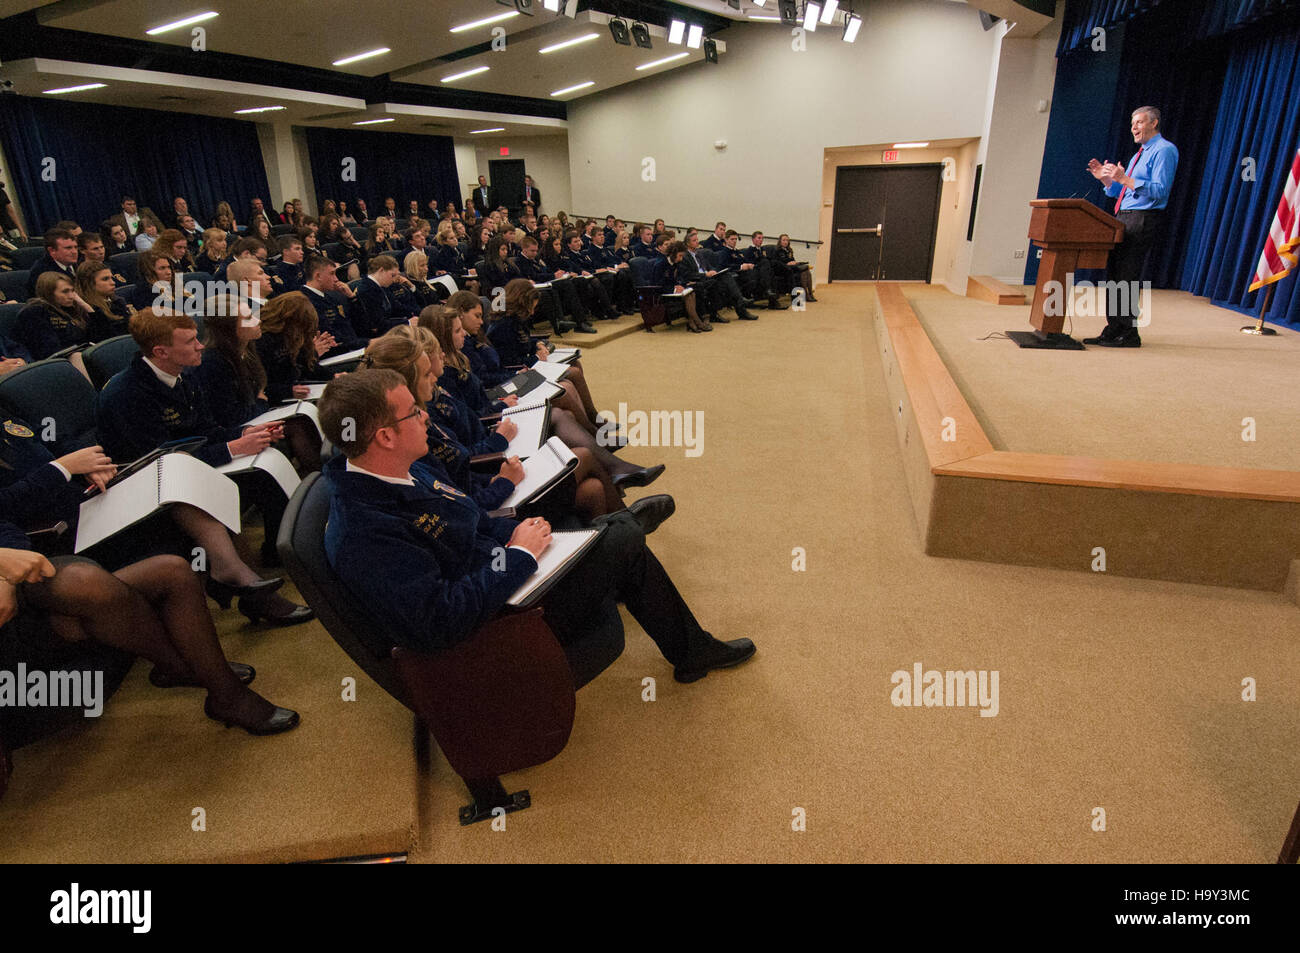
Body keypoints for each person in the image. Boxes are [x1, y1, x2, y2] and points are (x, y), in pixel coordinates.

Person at [318, 369, 753, 682]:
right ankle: (627, 542)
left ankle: (687, 644)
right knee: (623, 537)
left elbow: (468, 521)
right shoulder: (365, 529)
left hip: (504, 578)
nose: (426, 418)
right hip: (497, 629)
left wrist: (515, 537)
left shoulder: (408, 469)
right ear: (385, 437)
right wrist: (518, 556)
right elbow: (439, 621)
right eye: (413, 413)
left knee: (614, 538)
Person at [96, 308, 313, 623]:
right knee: (216, 489)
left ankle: (270, 563)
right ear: (161, 351)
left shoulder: (182, 376)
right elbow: (156, 461)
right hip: (137, 485)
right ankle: (246, 580)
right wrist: (230, 448)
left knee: (264, 468)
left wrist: (243, 433)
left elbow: (204, 430)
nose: (200, 345)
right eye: (190, 341)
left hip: (181, 467)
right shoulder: (126, 394)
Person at [0, 535, 299, 736]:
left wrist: (6, 572)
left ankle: (196, 677)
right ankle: (211, 685)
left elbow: (8, 524)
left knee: (172, 570)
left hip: (24, 586)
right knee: (86, 584)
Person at [1084, 105, 1179, 348]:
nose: (1133, 128)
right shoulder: (1138, 155)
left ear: (1154, 123)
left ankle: (1128, 333)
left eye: (1138, 122)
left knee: (1127, 275)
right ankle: (1113, 328)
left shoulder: (1164, 150)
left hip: (1143, 218)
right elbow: (1123, 192)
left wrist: (1124, 178)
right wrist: (1107, 180)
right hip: (1124, 217)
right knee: (1115, 275)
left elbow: (1159, 190)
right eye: (1132, 124)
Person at [12, 272, 90, 360]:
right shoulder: (34, 313)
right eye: (65, 291)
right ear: (49, 293)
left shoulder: (68, 308)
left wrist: (86, 307)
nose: (72, 296)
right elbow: (49, 350)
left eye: (72, 291)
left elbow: (96, 336)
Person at [75, 260, 133, 342]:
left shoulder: (118, 301)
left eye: (111, 278)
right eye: (105, 279)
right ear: (89, 283)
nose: (113, 282)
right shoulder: (88, 310)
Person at [26, 227, 80, 299]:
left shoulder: (78, 263)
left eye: (75, 247)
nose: (74, 252)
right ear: (52, 250)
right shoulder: (41, 272)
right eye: (68, 248)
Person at [772, 233, 815, 302]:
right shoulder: (777, 250)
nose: (786, 242)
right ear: (780, 241)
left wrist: (794, 262)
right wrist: (787, 263)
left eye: (787, 240)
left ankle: (810, 293)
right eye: (784, 240)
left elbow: (792, 259)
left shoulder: (789, 250)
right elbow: (777, 262)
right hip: (785, 269)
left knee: (806, 271)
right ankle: (806, 295)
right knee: (804, 269)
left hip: (792, 267)